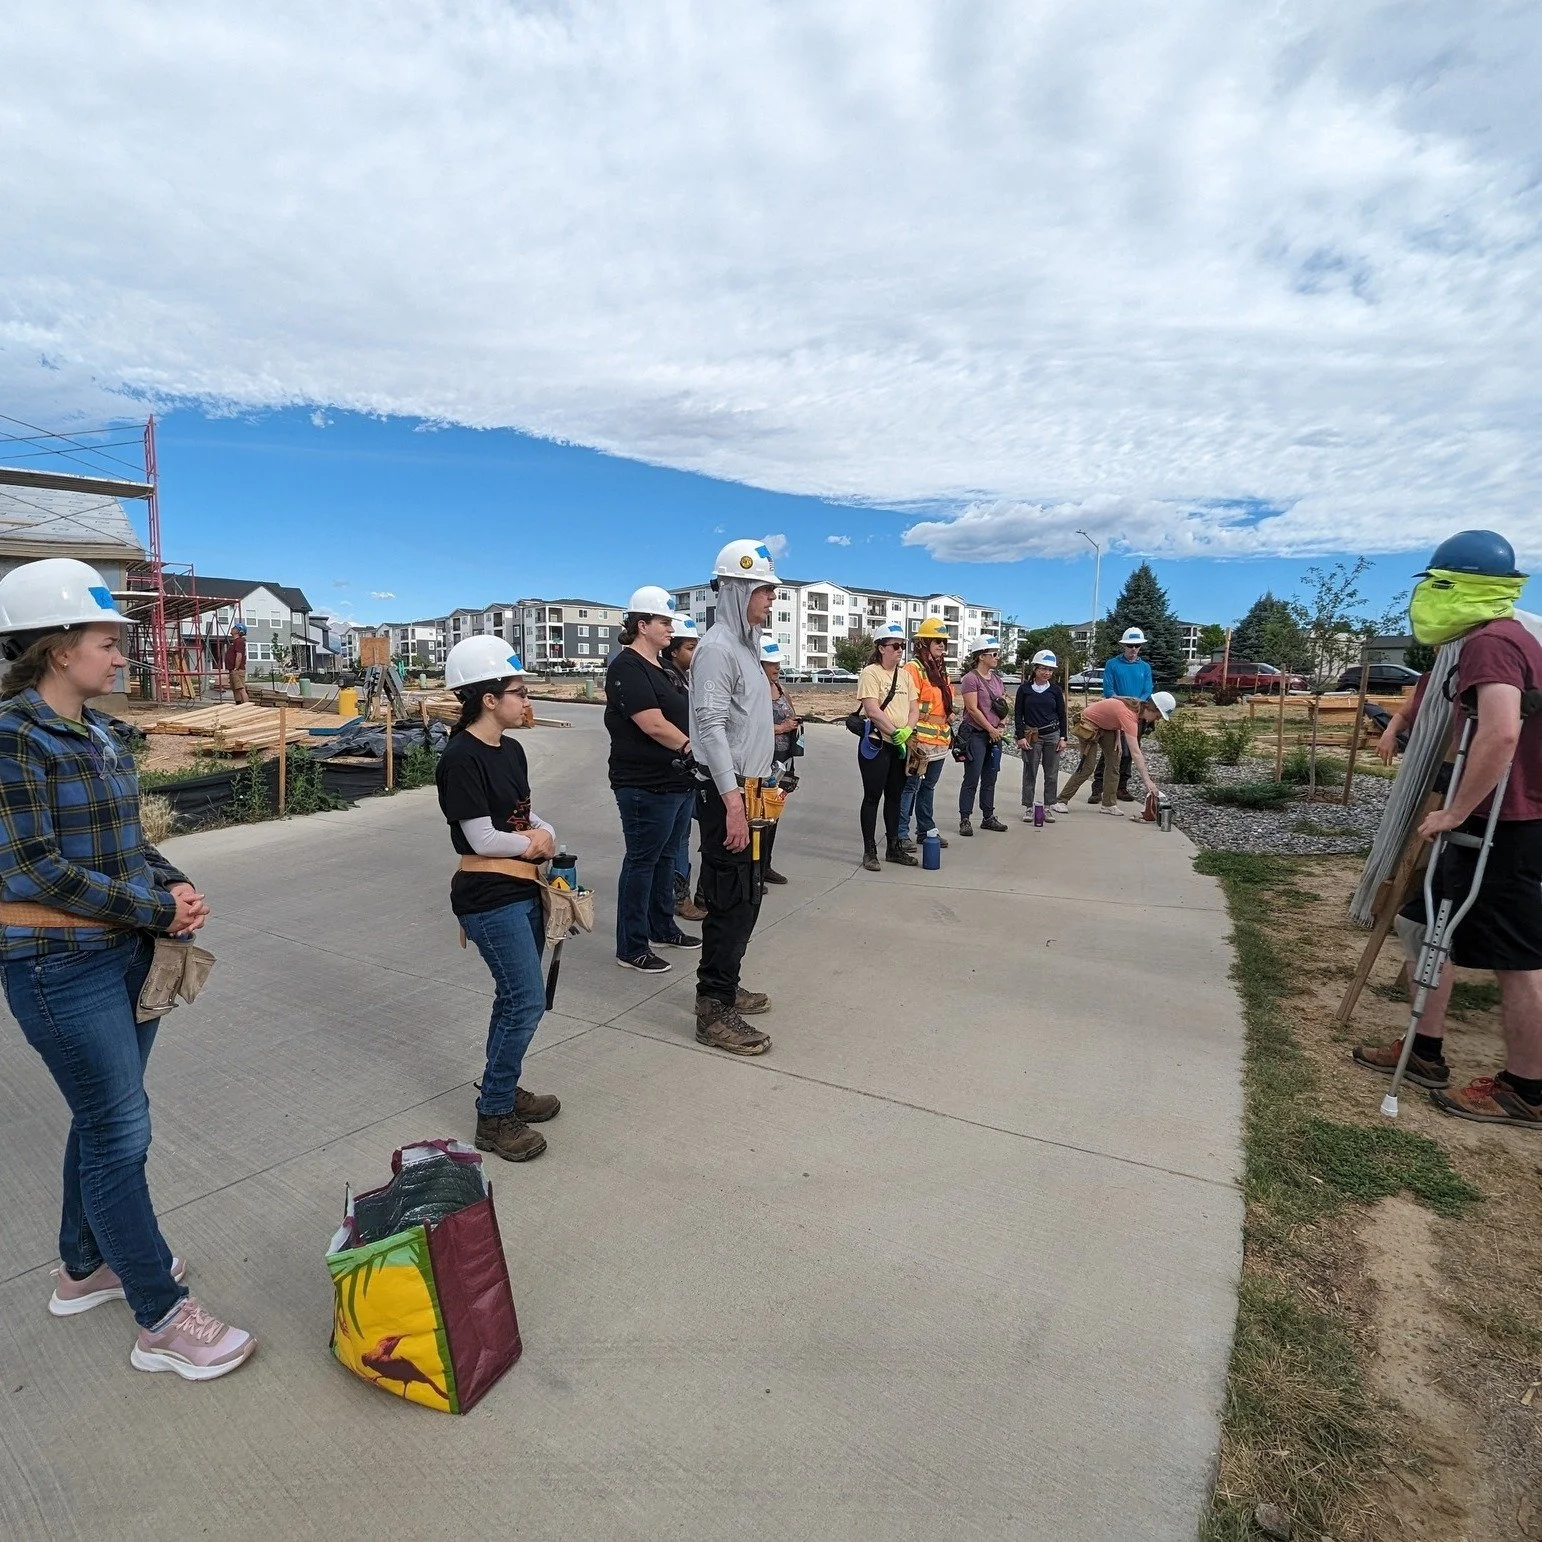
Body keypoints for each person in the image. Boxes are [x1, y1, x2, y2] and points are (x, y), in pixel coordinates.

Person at [0, 557, 256, 1381]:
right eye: (108, 643)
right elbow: (33, 869)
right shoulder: (9, 737)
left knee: (105, 1119)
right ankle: (160, 1316)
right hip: (54, 966)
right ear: (55, 645)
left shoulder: (104, 733)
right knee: (120, 1129)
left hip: (121, 956)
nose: (122, 659)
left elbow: (124, 843)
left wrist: (172, 883)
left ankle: (84, 1267)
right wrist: (153, 910)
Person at [1353, 529, 1542, 1127]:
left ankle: (1526, 1089)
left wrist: (1458, 809)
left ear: (1457, 587)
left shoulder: (1493, 643)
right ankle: (1425, 1051)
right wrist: (1402, 718)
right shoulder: (1495, 638)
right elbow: (1438, 688)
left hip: (1504, 823)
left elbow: (1502, 731)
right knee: (1421, 923)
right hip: (1498, 818)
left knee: (1519, 957)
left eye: (1434, 585)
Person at [435, 636, 563, 1162]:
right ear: (489, 698)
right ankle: (493, 1115)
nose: (526, 699)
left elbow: (522, 814)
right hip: (488, 895)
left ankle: (502, 1089)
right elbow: (482, 838)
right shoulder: (461, 757)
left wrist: (545, 831)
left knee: (514, 998)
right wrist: (533, 843)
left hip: (522, 887)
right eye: (518, 691)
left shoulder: (511, 749)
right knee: (526, 1000)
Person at [688, 539, 780, 1055]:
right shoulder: (718, 648)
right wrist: (732, 803)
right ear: (739, 588)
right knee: (728, 899)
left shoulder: (746, 647)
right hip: (730, 793)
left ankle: (725, 981)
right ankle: (713, 1006)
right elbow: (711, 725)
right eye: (764, 590)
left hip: (753, 790)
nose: (771, 599)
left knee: (747, 896)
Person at [604, 586, 699, 973]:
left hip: (675, 781)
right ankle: (631, 945)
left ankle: (662, 927)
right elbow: (653, 724)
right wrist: (694, 749)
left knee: (665, 858)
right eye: (664, 622)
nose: (670, 629)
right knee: (643, 861)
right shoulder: (627, 667)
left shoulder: (664, 668)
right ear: (641, 625)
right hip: (645, 784)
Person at [856, 621, 921, 871]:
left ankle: (893, 847)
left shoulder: (904, 676)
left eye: (902, 646)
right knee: (873, 796)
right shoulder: (870, 673)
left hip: (900, 745)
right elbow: (872, 710)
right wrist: (894, 733)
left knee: (895, 796)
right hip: (877, 744)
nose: (899, 651)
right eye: (895, 646)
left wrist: (906, 731)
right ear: (881, 647)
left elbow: (914, 708)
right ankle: (869, 850)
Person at [660, 615, 707, 922]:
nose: (695, 654)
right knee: (675, 840)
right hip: (672, 769)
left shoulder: (684, 678)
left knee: (682, 836)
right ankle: (677, 897)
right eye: (691, 647)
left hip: (687, 771)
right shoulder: (666, 678)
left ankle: (679, 894)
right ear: (674, 650)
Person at [1057, 690, 1173, 812]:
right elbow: (1136, 752)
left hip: (1107, 726)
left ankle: (1108, 804)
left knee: (1114, 761)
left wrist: (1117, 738)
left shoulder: (1135, 708)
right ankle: (1061, 800)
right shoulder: (1129, 714)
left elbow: (1113, 717)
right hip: (1088, 724)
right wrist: (1148, 782)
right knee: (1087, 767)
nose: (1157, 719)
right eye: (1158, 716)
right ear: (1152, 708)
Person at [898, 617, 953, 851]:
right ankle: (901, 833)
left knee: (928, 787)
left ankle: (926, 829)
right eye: (936, 640)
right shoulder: (914, 668)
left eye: (943, 641)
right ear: (924, 642)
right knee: (911, 786)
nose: (941, 645)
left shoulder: (941, 670)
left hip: (940, 740)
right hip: (920, 739)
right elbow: (909, 704)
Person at [1091, 627, 1153, 803]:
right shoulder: (1113, 664)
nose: (1133, 649)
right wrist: (1127, 702)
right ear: (1123, 646)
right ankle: (1098, 787)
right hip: (1115, 713)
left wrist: (1137, 704)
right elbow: (1109, 690)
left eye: (1137, 646)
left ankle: (1121, 786)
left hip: (1136, 714)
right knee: (1111, 749)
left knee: (1130, 750)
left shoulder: (1144, 667)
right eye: (1130, 645)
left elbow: (1148, 689)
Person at [957, 635, 1009, 836]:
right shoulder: (971, 679)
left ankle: (988, 816)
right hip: (977, 734)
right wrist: (990, 729)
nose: (997, 657)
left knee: (990, 777)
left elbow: (1003, 706)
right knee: (972, 777)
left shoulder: (997, 680)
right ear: (981, 656)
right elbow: (972, 709)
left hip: (994, 735)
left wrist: (1002, 725)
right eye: (994, 654)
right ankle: (965, 818)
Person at [761, 636, 799, 885]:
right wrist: (780, 727)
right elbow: (750, 726)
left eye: (778, 663)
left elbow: (791, 714)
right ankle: (755, 869)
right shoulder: (755, 691)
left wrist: (794, 725)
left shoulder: (781, 689)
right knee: (760, 815)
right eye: (772, 664)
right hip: (764, 758)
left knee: (775, 813)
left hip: (784, 759)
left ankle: (766, 865)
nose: (777, 668)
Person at [1015, 649, 1069, 821]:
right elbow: (1018, 714)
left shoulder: (1054, 690)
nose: (1046, 673)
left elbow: (1062, 714)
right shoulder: (1024, 689)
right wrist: (1020, 736)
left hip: (1052, 734)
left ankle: (1048, 806)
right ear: (1035, 669)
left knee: (1051, 773)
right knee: (1030, 771)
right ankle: (1028, 807)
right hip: (1032, 735)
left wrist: (1063, 737)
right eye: (1043, 668)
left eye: (1050, 670)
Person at [225, 621, 248, 704]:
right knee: (236, 689)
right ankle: (238, 705)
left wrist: (236, 668)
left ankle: (247, 708)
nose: (232, 628)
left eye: (234, 628)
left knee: (241, 688)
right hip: (233, 669)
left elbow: (239, 655)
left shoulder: (239, 641)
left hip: (237, 670)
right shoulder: (235, 642)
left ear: (239, 631)